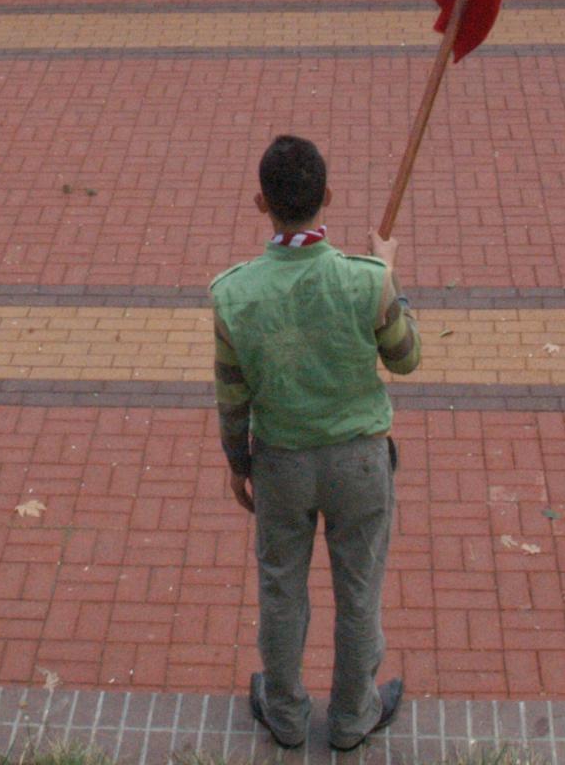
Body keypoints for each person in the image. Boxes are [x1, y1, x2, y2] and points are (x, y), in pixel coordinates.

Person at [212, 135, 419, 752]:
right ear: (327, 197)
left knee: (282, 588)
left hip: (280, 462)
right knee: (358, 591)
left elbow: (232, 397)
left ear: (260, 203)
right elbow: (406, 359)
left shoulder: (233, 295)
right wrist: (392, 275)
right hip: (359, 462)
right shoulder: (366, 280)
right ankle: (354, 717)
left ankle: (285, 712)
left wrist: (237, 463)